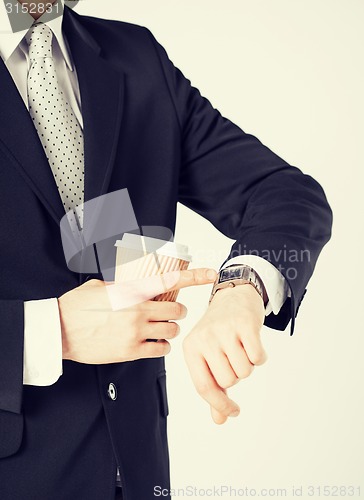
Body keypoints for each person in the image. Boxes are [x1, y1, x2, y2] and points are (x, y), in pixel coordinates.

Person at [0, 0, 332, 499]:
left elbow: (286, 194)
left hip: (135, 473)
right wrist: (52, 333)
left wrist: (242, 287)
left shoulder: (134, 56)